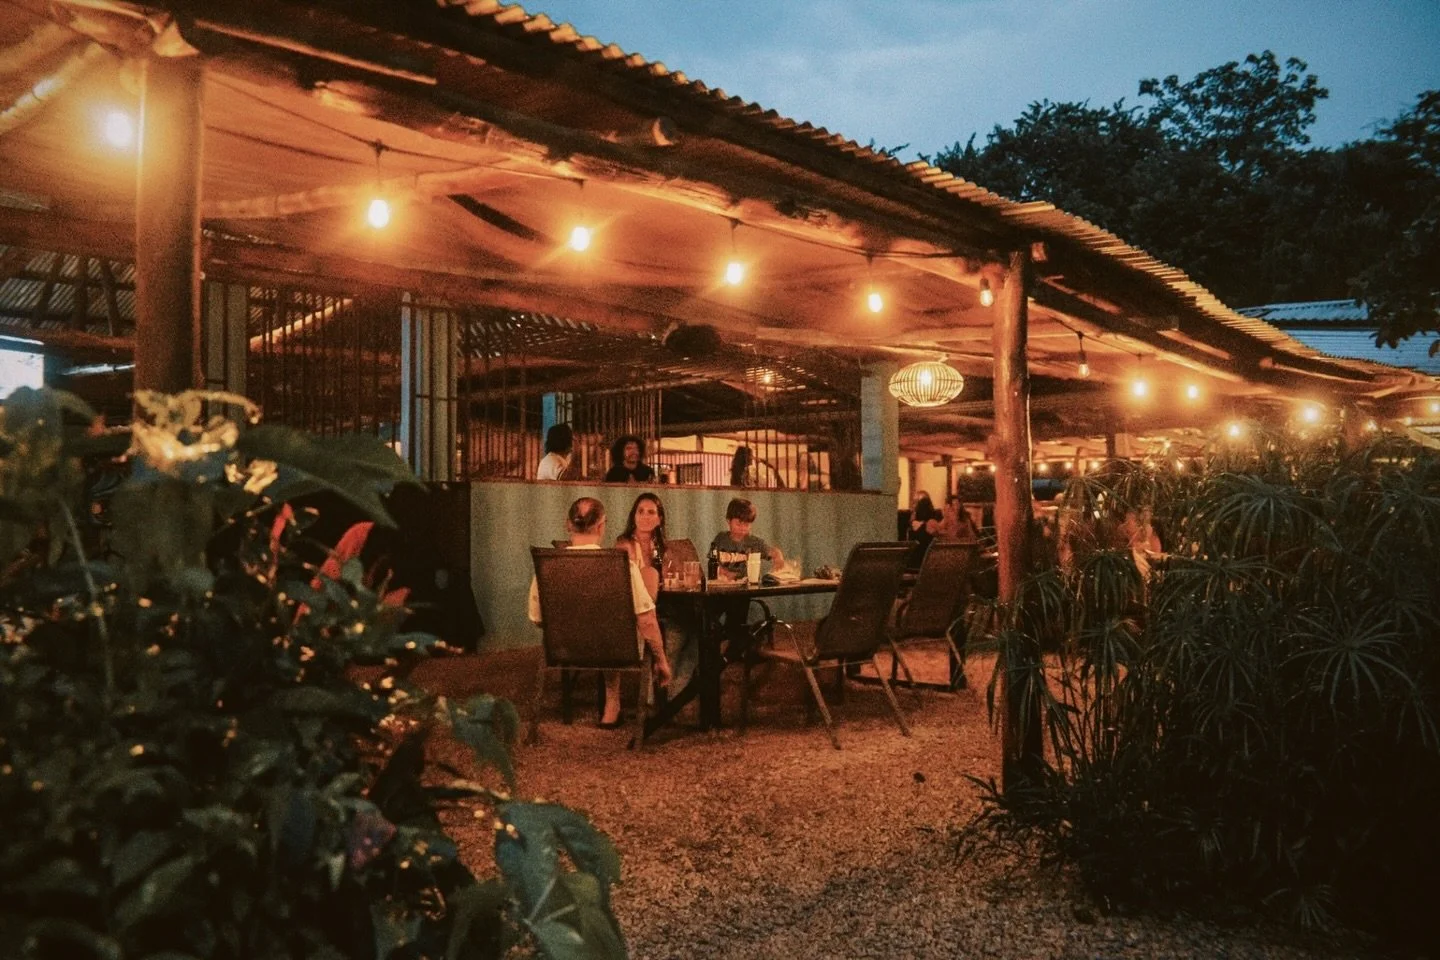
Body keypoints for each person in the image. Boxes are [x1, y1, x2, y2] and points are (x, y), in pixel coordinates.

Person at [527, 497, 671, 727]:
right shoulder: (621, 565)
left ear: (568, 524)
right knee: (616, 629)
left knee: (607, 629)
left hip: (563, 648)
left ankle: (611, 708)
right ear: (602, 526)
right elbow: (647, 621)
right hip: (614, 649)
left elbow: (537, 618)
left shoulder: (547, 566)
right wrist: (662, 660)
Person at [614, 492, 697, 693]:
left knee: (697, 633)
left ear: (659, 519)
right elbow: (626, 584)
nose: (645, 516)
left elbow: (672, 575)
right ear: (633, 516)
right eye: (640, 511)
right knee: (678, 634)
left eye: (651, 512)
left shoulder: (662, 547)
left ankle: (673, 693)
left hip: (664, 606)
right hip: (638, 613)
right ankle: (658, 694)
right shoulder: (624, 545)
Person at [707, 497, 785, 663]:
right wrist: (724, 572)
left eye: (747, 524)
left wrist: (778, 558)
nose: (743, 528)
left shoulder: (754, 542)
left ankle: (728, 657)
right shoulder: (721, 538)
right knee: (709, 619)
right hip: (721, 590)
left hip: (741, 591)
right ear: (728, 521)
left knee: (736, 623)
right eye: (739, 523)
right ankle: (715, 648)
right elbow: (713, 563)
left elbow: (773, 552)